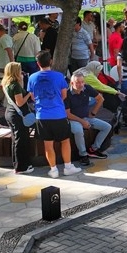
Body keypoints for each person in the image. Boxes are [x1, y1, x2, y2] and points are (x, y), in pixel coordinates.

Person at [27, 50, 81, 178]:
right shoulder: (59, 76)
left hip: (42, 116)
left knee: (48, 144)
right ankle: (68, 167)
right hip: (58, 114)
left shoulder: (32, 77)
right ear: (50, 61)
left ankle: (53, 170)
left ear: (37, 63)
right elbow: (64, 95)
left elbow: (32, 97)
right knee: (65, 141)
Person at [65, 73, 113, 166]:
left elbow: (100, 99)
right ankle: (83, 155)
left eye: (82, 82)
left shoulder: (87, 88)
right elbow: (68, 114)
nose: (81, 84)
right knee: (78, 131)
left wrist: (93, 113)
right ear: (72, 83)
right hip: (72, 119)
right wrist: (82, 122)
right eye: (77, 82)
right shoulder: (67, 94)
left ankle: (93, 149)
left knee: (107, 127)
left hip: (86, 117)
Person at [2, 62, 33, 174]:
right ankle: (21, 167)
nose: (21, 72)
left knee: (15, 140)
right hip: (18, 115)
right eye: (19, 70)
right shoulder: (15, 85)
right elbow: (20, 102)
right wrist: (29, 94)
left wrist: (22, 80)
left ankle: (17, 164)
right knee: (21, 140)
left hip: (10, 113)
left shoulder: (6, 83)